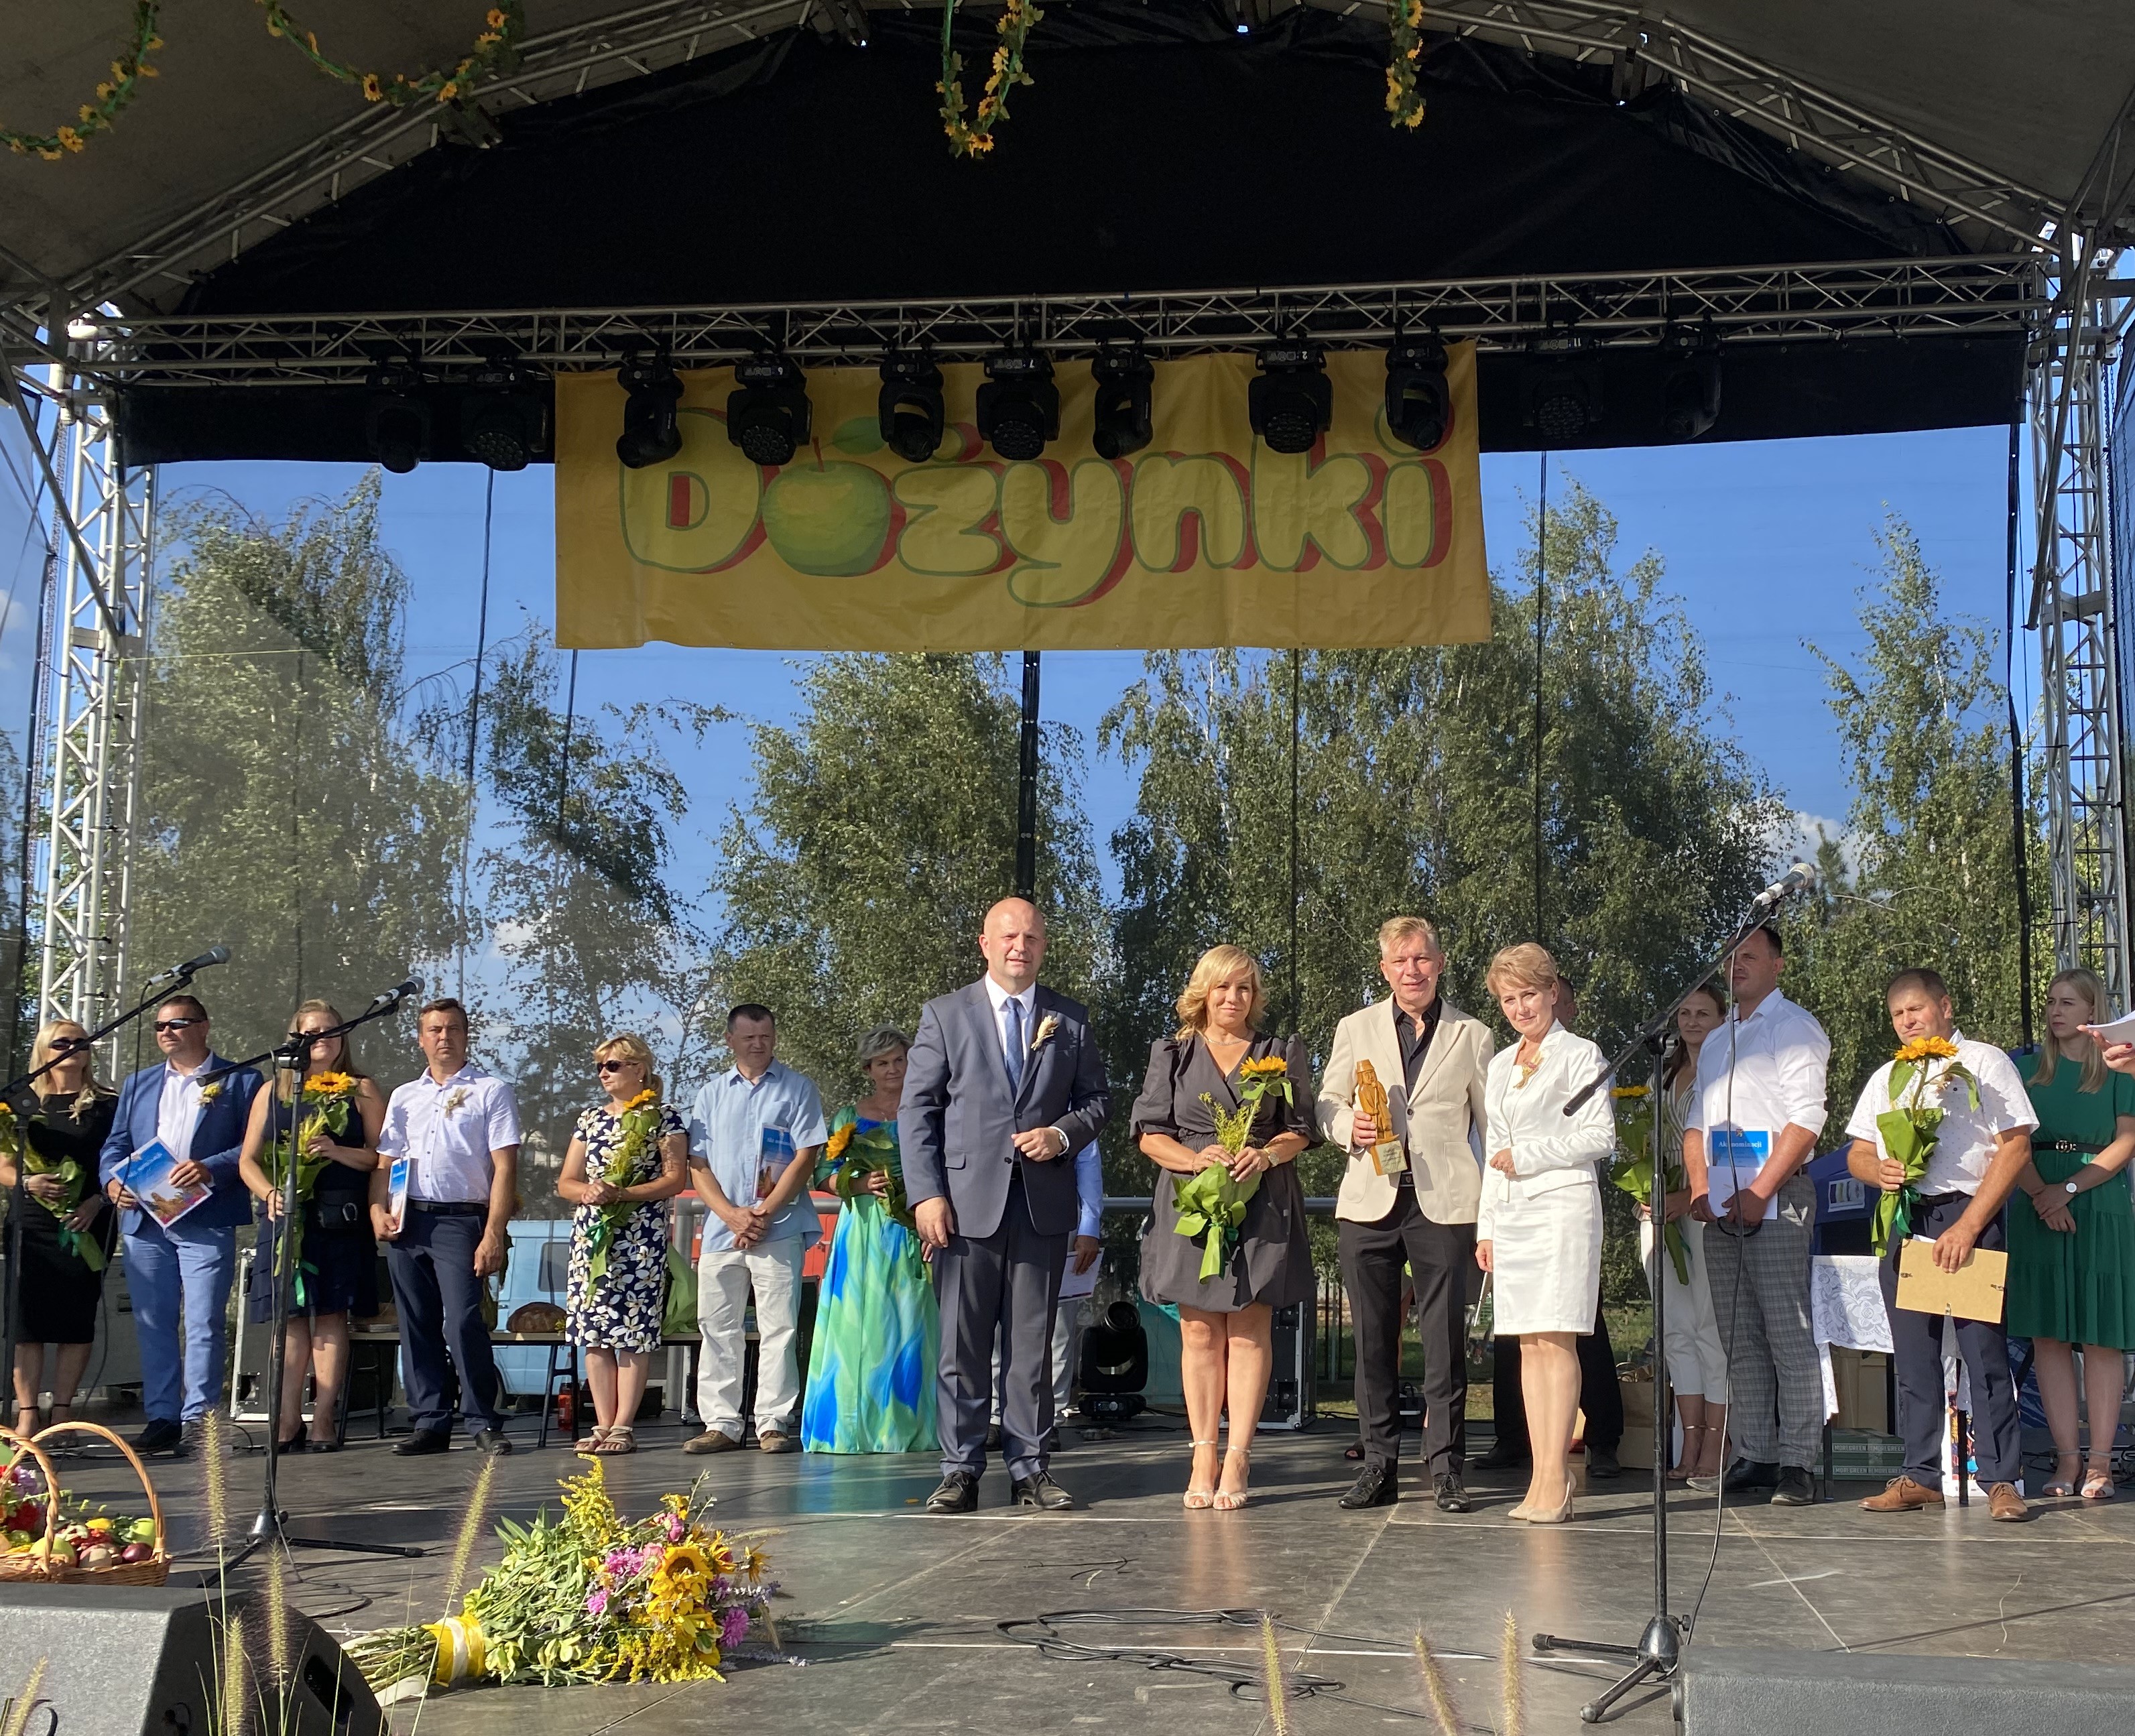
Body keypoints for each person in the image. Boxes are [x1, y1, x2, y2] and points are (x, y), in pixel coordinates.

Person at [902, 897, 1111, 1513]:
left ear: (1043, 946)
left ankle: (1031, 1469)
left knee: (1031, 1347)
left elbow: (1096, 1102)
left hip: (1041, 1207)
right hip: (963, 1208)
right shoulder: (945, 1015)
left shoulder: (1069, 1020)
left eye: (1032, 938)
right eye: (1009, 936)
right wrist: (926, 1194)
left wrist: (1061, 1136)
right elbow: (918, 1111)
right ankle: (959, 1471)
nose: (1020, 946)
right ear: (985, 944)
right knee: (961, 1347)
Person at [1845, 968, 2036, 1522]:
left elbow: (2015, 1147)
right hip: (1908, 1216)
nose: (1906, 1021)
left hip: (1967, 1212)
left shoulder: (1982, 1062)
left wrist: (1969, 1226)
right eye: (1897, 1015)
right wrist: (1877, 1170)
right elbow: (1857, 1151)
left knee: (1984, 1354)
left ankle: (2001, 1479)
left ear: (1944, 1008)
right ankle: (1920, 1474)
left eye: (1915, 1009)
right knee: (1913, 1357)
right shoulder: (1889, 1075)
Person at [1317, 916, 1491, 1511]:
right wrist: (1349, 1126)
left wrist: (1493, 1213)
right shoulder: (1355, 1027)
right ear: (1384, 969)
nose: (1411, 971)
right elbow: (1326, 1103)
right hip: (1369, 1200)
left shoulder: (1472, 1033)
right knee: (1372, 1339)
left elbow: (1492, 1128)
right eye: (1399, 961)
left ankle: (1445, 1468)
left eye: (1421, 959)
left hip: (1444, 1202)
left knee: (1443, 1342)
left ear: (1439, 964)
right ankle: (1378, 1465)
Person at [1133, 945, 1315, 1511]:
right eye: (1222, 987)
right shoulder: (1171, 1053)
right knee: (1198, 1333)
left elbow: (1301, 1130)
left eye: (1243, 988)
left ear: (1254, 996)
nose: (1233, 998)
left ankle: (1238, 1455)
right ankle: (1202, 1453)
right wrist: (1194, 1160)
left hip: (1262, 1205)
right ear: (1203, 993)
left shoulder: (1278, 1052)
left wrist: (1267, 1155)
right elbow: (1148, 1135)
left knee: (1248, 1331)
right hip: (1191, 1204)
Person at [1681, 923, 1829, 1505]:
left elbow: (1806, 1118)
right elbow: (1696, 1123)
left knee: (1787, 1333)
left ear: (1777, 965)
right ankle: (1757, 1452)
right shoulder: (1719, 1039)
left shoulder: (1793, 1027)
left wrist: (1762, 1189)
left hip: (1777, 1195)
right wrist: (1699, 1185)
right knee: (1738, 1334)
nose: (1735, 965)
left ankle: (1797, 1460)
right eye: (1729, 957)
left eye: (1748, 955)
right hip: (1722, 1199)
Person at [1476, 943, 1615, 1524]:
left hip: (1561, 1209)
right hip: (1511, 1216)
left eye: (1528, 994)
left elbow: (1599, 1136)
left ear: (1552, 992)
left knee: (1555, 1342)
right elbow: (1492, 1150)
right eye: (1508, 999)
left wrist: (1527, 1156)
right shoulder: (1500, 1064)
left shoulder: (1580, 1054)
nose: (1519, 1008)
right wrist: (1486, 1226)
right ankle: (1540, 1473)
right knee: (1527, 1346)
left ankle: (1555, 1477)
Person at [99, 994, 264, 1456]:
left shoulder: (241, 1079)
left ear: (204, 1027)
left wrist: (211, 1167)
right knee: (153, 1321)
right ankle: (162, 1417)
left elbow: (255, 1145)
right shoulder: (139, 1083)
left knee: (204, 1320)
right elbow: (114, 1146)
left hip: (205, 1216)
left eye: (178, 1023)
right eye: (159, 1026)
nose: (167, 1032)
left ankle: (199, 1421)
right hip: (145, 1217)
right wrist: (112, 1182)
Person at [371, 997, 520, 1456]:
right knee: (416, 1323)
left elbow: (505, 1168)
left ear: (466, 1035)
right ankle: (430, 1421)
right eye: (434, 1030)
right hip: (409, 1218)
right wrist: (377, 1209)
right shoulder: (404, 1096)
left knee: (462, 1321)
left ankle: (481, 1419)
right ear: (420, 1039)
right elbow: (385, 1163)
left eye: (453, 1028)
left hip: (461, 1218)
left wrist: (492, 1232)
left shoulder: (491, 1091)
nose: (444, 1037)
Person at [236, 1001, 386, 1452]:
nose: (322, 1039)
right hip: (286, 1219)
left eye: (331, 1031)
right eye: (312, 1032)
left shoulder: (361, 1088)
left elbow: (381, 1157)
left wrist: (336, 1151)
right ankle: (286, 1421)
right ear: (295, 1039)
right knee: (289, 1321)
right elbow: (247, 1161)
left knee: (330, 1318)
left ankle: (323, 1418)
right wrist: (269, 1193)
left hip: (338, 1219)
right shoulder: (273, 1090)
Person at [2008, 968, 2134, 1500]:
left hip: (2097, 1202)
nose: (2055, 1011)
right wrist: (2042, 1195)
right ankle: (2065, 1460)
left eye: (2067, 1002)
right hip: (2035, 1200)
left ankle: (2101, 1463)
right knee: (2049, 1336)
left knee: (2100, 1336)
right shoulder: (2023, 1070)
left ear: (2091, 1012)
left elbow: (2125, 1142)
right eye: (2050, 1001)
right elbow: (2006, 1141)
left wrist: (2067, 1191)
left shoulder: (2118, 1070)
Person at [684, 1003, 827, 1455]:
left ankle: (772, 1422)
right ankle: (721, 1423)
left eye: (765, 1036)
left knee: (779, 1327)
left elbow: (806, 1157)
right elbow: (698, 1164)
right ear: (730, 1040)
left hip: (778, 1226)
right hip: (722, 1230)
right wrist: (731, 1214)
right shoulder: (710, 1094)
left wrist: (762, 1213)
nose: (758, 1044)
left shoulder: (798, 1088)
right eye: (748, 1037)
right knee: (717, 1326)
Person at [803, 1026, 940, 1454]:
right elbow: (822, 1175)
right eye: (883, 1063)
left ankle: (904, 1424)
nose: (893, 1069)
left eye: (900, 1060)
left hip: (911, 1227)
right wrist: (858, 1183)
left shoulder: (930, 1109)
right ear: (868, 1069)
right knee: (857, 1325)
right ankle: (852, 1427)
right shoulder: (848, 1116)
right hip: (861, 1232)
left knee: (909, 1322)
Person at [557, 1034, 688, 1456]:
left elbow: (675, 1179)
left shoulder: (663, 1117)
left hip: (640, 1239)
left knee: (633, 1333)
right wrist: (588, 1192)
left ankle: (623, 1426)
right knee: (594, 1332)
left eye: (612, 1065)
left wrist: (623, 1194)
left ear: (639, 1069)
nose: (604, 1073)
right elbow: (565, 1181)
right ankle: (601, 1423)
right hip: (593, 1238)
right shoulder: (590, 1119)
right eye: (600, 1066)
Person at [3, 1021, 119, 1434]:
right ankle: (28, 1414)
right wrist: (28, 1182)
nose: (72, 1047)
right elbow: (3, 1165)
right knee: (26, 1323)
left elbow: (123, 1161)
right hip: (32, 1223)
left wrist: (98, 1200)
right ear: (43, 1050)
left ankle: (64, 1413)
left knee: (76, 1319)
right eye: (62, 1042)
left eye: (80, 1041)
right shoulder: (20, 1102)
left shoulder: (109, 1104)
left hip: (88, 1219)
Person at [1644, 985, 1730, 1480]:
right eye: (1684, 1012)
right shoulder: (1662, 1075)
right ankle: (1689, 1440)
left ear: (1721, 1019)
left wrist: (1690, 1194)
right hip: (1661, 1209)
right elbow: (1645, 1143)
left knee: (1708, 1327)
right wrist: (1645, 1186)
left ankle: (1718, 1440)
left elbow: (1732, 1147)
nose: (1692, 1021)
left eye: (1703, 1013)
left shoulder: (1728, 1075)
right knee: (1674, 1330)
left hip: (1704, 1205)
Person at [987, 1137, 1102, 1451]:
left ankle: (1049, 1418)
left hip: (1058, 1215)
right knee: (996, 1319)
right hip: (994, 1212)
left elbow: (1088, 1159)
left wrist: (1089, 1227)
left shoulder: (1070, 1108)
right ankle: (995, 1415)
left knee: (1058, 1324)